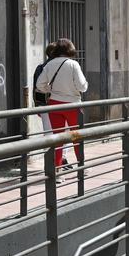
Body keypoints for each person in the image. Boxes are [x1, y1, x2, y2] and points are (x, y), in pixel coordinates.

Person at [35, 38, 88, 168]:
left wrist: (50, 90)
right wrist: (83, 85)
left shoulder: (49, 64)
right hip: (72, 105)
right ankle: (81, 166)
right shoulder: (73, 64)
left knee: (57, 139)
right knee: (76, 136)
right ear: (70, 49)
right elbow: (82, 87)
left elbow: (39, 85)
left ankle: (57, 169)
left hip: (54, 105)